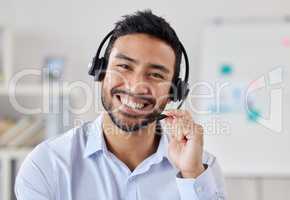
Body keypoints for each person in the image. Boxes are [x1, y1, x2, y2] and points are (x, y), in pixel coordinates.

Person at [15, 10, 227, 200]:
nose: (136, 86)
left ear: (174, 92)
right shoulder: (47, 164)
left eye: (155, 74)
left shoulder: (201, 169)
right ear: (100, 72)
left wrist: (192, 177)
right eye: (124, 66)